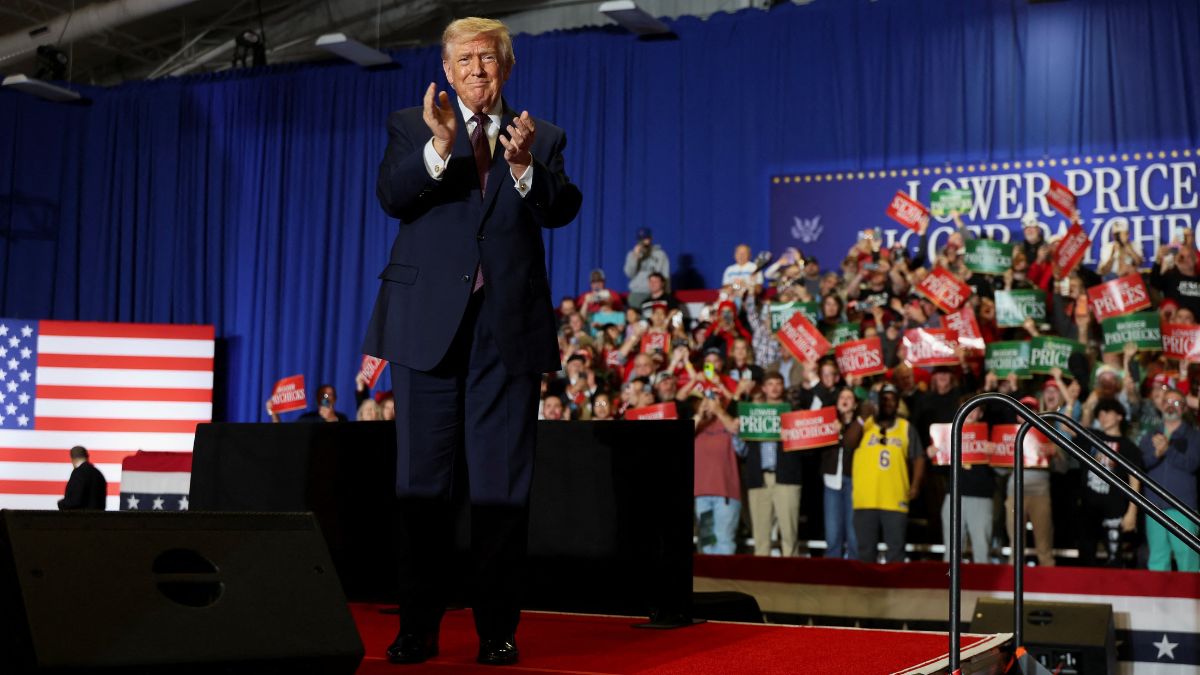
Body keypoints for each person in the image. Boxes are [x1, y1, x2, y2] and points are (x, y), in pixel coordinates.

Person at [363, 16, 581, 667]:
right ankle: (418, 628)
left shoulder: (538, 136)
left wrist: (522, 169)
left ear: (505, 67)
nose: (476, 69)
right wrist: (437, 148)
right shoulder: (411, 125)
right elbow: (392, 195)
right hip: (425, 327)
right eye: (464, 59)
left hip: (505, 333)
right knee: (421, 489)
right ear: (447, 69)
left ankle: (496, 629)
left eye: (487, 58)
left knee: (501, 489)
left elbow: (562, 206)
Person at [852, 384, 924, 563]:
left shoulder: (906, 427)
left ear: (898, 403)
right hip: (865, 498)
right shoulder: (865, 424)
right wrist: (862, 418)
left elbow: (919, 458)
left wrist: (915, 484)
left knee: (896, 550)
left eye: (893, 399)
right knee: (866, 551)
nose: (888, 403)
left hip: (895, 498)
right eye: (884, 398)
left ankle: (895, 589)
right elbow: (847, 444)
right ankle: (867, 590)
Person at [740, 372, 801, 556]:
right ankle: (760, 580)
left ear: (783, 387)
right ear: (764, 388)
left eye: (778, 383)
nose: (774, 387)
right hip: (759, 479)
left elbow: (807, 449)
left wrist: (793, 438)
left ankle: (793, 578)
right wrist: (738, 430)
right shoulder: (752, 413)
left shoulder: (793, 411)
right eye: (770, 384)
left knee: (789, 534)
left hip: (786, 478)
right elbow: (742, 450)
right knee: (760, 536)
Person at [1139, 390, 1200, 572]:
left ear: (1183, 408)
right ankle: (1158, 599)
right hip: (1154, 507)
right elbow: (1141, 463)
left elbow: (1192, 464)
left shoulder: (1193, 435)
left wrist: (1167, 450)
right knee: (1157, 558)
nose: (1170, 405)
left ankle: (1193, 600)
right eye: (1166, 401)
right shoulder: (1150, 434)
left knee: (1187, 557)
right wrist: (1157, 453)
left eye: (1176, 402)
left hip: (1183, 507)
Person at [823, 387, 862, 558]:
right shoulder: (825, 421)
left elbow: (852, 444)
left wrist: (843, 429)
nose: (845, 400)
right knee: (832, 535)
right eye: (841, 397)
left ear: (855, 404)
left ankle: (854, 576)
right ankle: (833, 577)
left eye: (849, 397)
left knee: (853, 534)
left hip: (853, 481)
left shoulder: (861, 425)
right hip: (831, 481)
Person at [624, 227, 670, 308]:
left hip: (654, 293)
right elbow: (629, 274)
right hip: (637, 293)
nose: (643, 241)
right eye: (640, 239)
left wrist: (666, 294)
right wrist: (635, 258)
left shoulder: (660, 254)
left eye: (645, 238)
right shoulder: (632, 254)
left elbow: (665, 276)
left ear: (650, 238)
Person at [57, 445, 107, 510]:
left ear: (73, 459)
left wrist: (61, 504)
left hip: (80, 518)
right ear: (87, 457)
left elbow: (75, 500)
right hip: (99, 518)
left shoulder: (78, 473)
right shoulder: (98, 473)